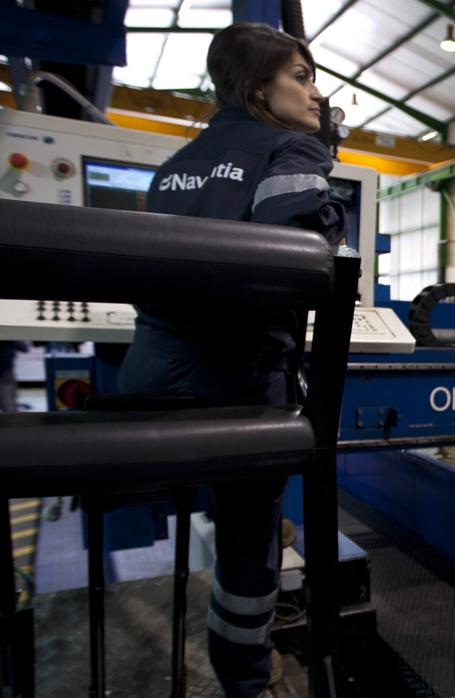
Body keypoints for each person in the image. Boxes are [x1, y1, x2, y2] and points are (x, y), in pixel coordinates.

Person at [117, 22, 343, 698]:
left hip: (149, 378)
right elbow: (291, 252)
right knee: (250, 547)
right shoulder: (291, 147)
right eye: (300, 77)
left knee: (229, 507)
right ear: (257, 88)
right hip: (238, 382)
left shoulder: (175, 164)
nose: (315, 91)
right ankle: (245, 677)